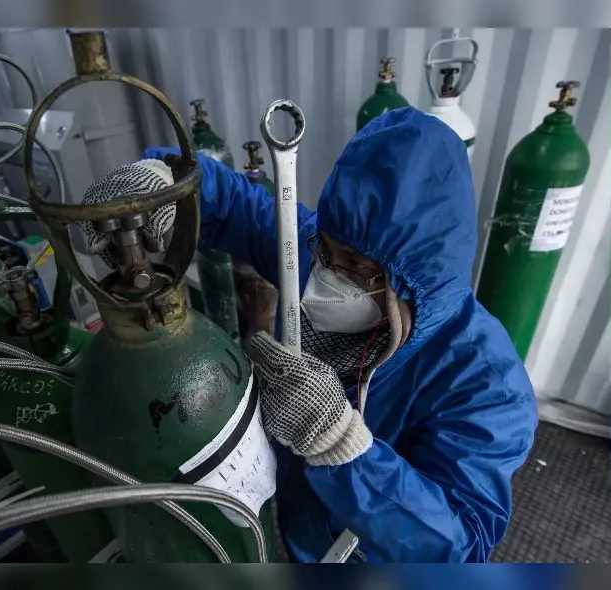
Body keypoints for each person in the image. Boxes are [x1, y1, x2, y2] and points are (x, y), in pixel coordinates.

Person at [87, 106, 537, 563]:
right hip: (298, 520)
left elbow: (461, 547)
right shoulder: (314, 253)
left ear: (413, 281)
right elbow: (240, 207)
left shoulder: (489, 385)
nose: (327, 276)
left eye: (356, 267)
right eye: (326, 249)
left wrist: (342, 446)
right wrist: (167, 183)